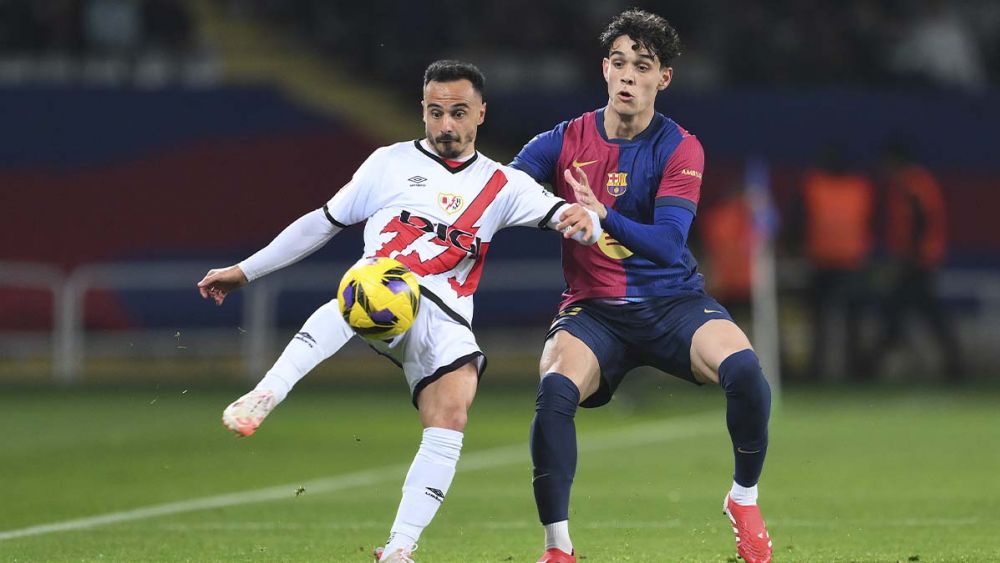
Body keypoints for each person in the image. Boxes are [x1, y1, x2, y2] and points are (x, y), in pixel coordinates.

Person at [196, 60, 601, 563]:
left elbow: (567, 219)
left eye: (457, 113)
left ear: (480, 114)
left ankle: (399, 549)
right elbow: (321, 222)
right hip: (381, 290)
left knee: (452, 413)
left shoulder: (503, 185)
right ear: (423, 112)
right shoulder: (387, 163)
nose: (446, 126)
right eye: (435, 113)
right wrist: (246, 270)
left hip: (446, 316)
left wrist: (586, 219)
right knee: (365, 285)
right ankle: (267, 392)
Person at [509, 10, 773, 563]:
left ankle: (742, 498)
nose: (629, 76)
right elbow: (505, 190)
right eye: (620, 63)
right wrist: (556, 210)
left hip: (672, 303)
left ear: (664, 79)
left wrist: (600, 213)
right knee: (555, 389)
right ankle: (558, 549)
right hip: (595, 312)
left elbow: (669, 243)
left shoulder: (680, 147)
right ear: (604, 69)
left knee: (746, 372)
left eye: (643, 66)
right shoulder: (564, 139)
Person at [873, 142, 963, 381]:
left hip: (917, 263)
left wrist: (907, 259)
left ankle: (872, 365)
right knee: (911, 313)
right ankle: (952, 365)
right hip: (918, 261)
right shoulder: (913, 183)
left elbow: (920, 225)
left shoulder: (912, 186)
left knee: (904, 313)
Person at [790, 144, 876, 380]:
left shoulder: (813, 185)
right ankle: (856, 373)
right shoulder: (861, 187)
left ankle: (816, 373)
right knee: (852, 326)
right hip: (852, 263)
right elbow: (874, 222)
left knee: (820, 325)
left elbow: (796, 221)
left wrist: (794, 249)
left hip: (822, 262)